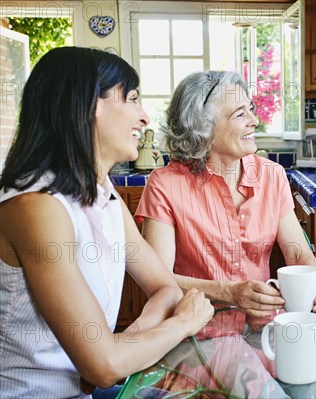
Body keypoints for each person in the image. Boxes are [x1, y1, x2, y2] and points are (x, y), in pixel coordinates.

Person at [0, 47, 214, 398]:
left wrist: (121, 347)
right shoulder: (35, 207)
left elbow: (166, 287)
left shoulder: (102, 193)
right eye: (131, 99)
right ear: (88, 105)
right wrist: (183, 323)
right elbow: (103, 367)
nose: (144, 117)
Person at [135, 70, 316, 397]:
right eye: (240, 113)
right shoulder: (164, 184)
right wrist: (231, 292)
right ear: (203, 128)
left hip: (268, 324)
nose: (255, 120)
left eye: (251, 109)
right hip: (201, 332)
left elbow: (295, 250)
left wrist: (312, 277)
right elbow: (159, 279)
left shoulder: (272, 175)